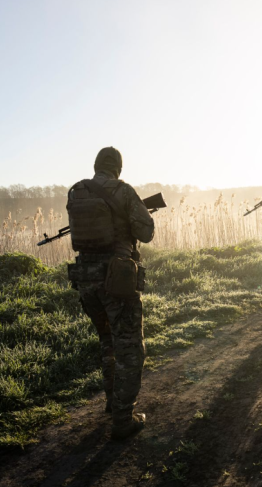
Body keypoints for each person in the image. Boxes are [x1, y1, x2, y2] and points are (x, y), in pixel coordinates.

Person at [66, 147, 155, 440]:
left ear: (95, 166)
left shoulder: (76, 191)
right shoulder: (124, 190)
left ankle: (111, 403)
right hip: (117, 280)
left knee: (108, 341)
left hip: (85, 280)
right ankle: (123, 419)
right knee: (131, 350)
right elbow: (146, 232)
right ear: (118, 167)